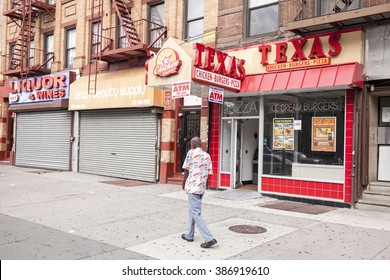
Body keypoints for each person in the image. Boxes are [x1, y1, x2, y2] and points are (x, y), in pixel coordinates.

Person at [181, 136, 217, 248]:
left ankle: (209, 238)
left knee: (195, 212)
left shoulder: (191, 153)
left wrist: (184, 182)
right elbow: (208, 172)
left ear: (193, 144)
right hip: (201, 187)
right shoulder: (207, 155)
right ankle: (189, 234)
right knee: (193, 210)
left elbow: (186, 169)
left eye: (191, 144)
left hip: (193, 186)